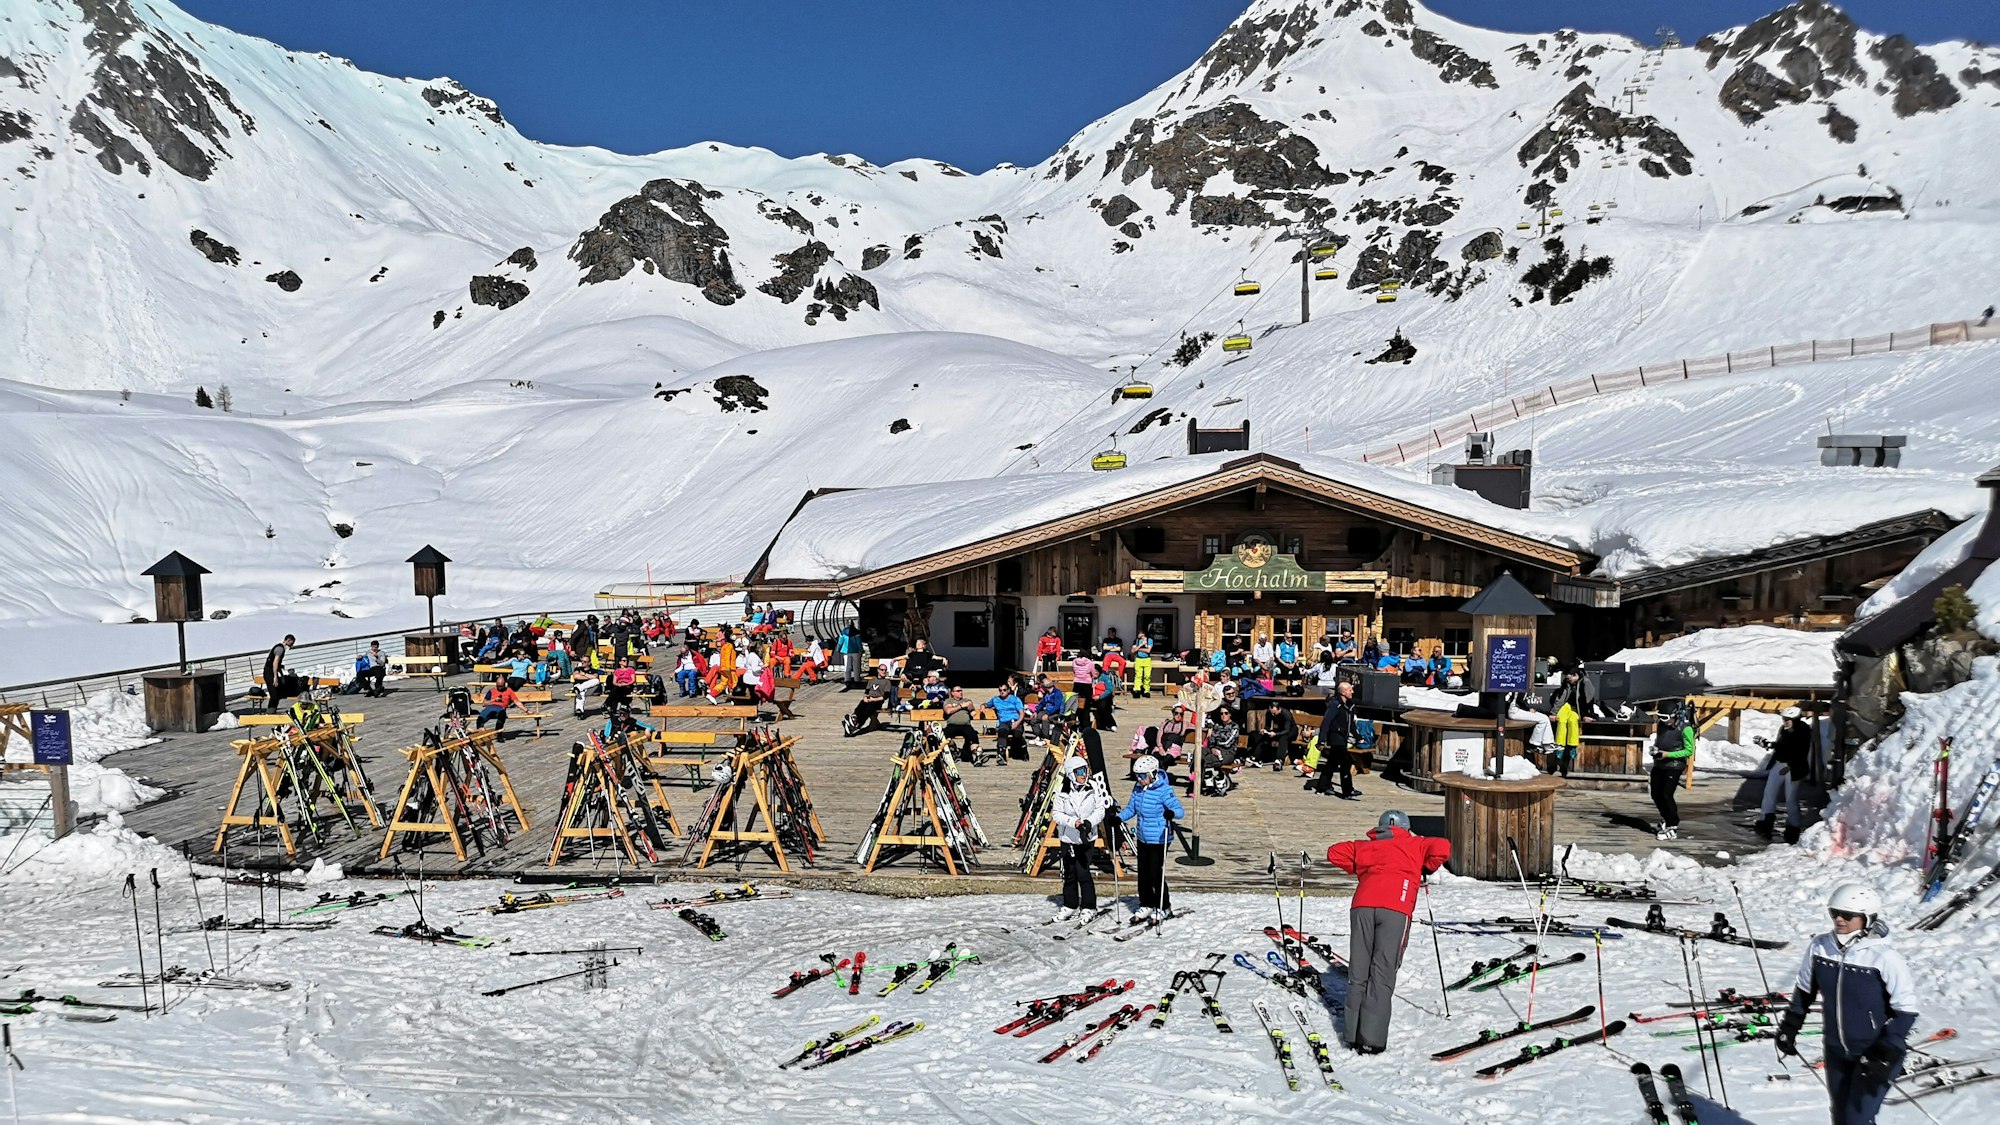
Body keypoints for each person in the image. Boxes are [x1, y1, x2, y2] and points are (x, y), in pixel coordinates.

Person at [1775, 883, 1917, 1125]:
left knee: (1856, 1120)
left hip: (1873, 1053)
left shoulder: (1884, 957)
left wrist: (1885, 1051)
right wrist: (1790, 1026)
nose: (1839, 919)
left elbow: (1906, 1010)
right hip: (1836, 1050)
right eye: (1834, 913)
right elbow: (1804, 991)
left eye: (1847, 915)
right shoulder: (1820, 947)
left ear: (1866, 918)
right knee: (1841, 1117)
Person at [1325, 810, 1451, 1053]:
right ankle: (1371, 1039)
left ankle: (1352, 1034)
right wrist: (1425, 865)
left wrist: (1360, 865)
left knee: (1359, 971)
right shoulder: (1415, 844)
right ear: (1406, 828)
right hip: (1395, 906)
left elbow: (1334, 852)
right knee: (1382, 971)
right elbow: (1443, 847)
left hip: (1362, 906)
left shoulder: (1365, 846)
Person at [1116, 756, 1184, 922]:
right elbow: (1131, 809)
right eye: (1137, 776)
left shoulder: (1164, 790)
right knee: (1143, 873)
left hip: (1159, 838)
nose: (1139, 779)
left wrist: (1171, 813)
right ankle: (1146, 903)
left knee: (1155, 872)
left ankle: (1163, 906)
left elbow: (1179, 810)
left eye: (1142, 776)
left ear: (1152, 774)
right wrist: (1118, 818)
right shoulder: (1138, 788)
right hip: (1143, 836)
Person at [1050, 757, 1112, 922]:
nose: (1084, 774)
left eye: (1085, 770)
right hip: (1068, 837)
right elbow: (1056, 813)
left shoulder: (1093, 787)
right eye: (1079, 772)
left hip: (1086, 836)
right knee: (1069, 872)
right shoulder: (1063, 790)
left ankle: (1089, 906)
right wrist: (1072, 822)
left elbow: (1100, 809)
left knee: (1083, 871)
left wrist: (1089, 822)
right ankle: (1070, 905)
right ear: (1071, 774)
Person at [1758, 706, 1814, 843]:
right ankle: (1765, 822)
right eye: (1784, 719)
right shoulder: (1784, 729)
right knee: (1769, 793)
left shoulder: (1803, 731)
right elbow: (1782, 746)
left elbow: (1801, 752)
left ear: (1796, 720)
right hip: (1779, 763)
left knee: (1791, 799)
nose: (1785, 722)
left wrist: (1789, 767)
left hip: (1794, 768)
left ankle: (1793, 828)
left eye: (1788, 719)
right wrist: (1769, 744)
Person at [1649, 707, 1695, 839]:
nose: (1663, 720)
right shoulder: (1661, 725)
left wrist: (1668, 754)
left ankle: (1672, 825)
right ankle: (1666, 817)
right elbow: (1661, 740)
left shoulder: (1685, 729)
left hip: (1674, 765)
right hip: (1660, 763)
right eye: (1660, 717)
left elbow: (1689, 751)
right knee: (1655, 794)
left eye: (1665, 718)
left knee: (1666, 795)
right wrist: (1655, 750)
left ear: (1674, 715)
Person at [1310, 680, 1359, 798]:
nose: (1352, 692)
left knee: (1331, 763)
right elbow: (1326, 722)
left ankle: (1322, 787)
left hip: (1343, 737)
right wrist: (1321, 740)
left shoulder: (1349, 705)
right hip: (1336, 737)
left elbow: (1351, 723)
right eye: (1350, 690)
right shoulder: (1335, 705)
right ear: (1343, 692)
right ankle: (1348, 791)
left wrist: (1358, 736)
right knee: (1346, 763)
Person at [1549, 664, 1590, 777]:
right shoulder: (1566, 684)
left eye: (1570, 677)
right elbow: (1560, 698)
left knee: (1572, 721)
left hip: (1577, 709)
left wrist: (1586, 715)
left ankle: (1572, 746)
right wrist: (1553, 713)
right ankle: (1560, 746)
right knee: (1561, 720)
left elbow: (1588, 700)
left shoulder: (1585, 683)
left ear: (1575, 675)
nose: (1568, 679)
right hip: (1566, 706)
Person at [986, 681, 1027, 763]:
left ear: (1008, 690)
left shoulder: (1015, 699)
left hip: (1015, 720)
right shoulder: (996, 700)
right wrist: (983, 706)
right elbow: (986, 704)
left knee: (1017, 734)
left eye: (1004, 690)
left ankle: (1023, 748)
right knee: (1002, 732)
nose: (1002, 692)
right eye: (1000, 690)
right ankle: (1001, 754)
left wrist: (1017, 722)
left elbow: (1022, 713)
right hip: (1004, 722)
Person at [1255, 700, 1298, 769]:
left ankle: (1279, 759)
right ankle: (1256, 757)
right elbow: (1268, 726)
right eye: (1272, 713)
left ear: (1279, 709)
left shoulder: (1286, 714)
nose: (1273, 715)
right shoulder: (1269, 712)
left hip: (1291, 731)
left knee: (1283, 738)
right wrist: (1265, 730)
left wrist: (1276, 734)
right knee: (1264, 736)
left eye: (1274, 713)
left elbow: (1287, 730)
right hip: (1280, 730)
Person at [941, 686, 980, 761]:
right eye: (958, 691)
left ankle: (976, 755)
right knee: (944, 737)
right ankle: (954, 749)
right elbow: (948, 711)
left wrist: (970, 707)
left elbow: (971, 708)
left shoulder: (966, 700)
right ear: (952, 693)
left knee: (973, 736)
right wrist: (961, 706)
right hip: (952, 725)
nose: (960, 692)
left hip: (965, 725)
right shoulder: (949, 701)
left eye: (961, 690)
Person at [263, 634, 299, 707]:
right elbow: (275, 663)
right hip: (269, 672)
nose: (291, 646)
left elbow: (277, 664)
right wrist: (275, 677)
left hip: (271, 671)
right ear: (288, 640)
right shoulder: (280, 649)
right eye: (291, 643)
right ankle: (270, 711)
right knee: (274, 695)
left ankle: (272, 710)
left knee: (277, 694)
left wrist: (281, 675)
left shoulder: (280, 648)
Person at [836, 624, 864, 690]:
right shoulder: (856, 632)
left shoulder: (843, 632)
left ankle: (847, 680)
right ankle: (857, 680)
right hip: (856, 651)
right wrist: (861, 649)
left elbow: (840, 642)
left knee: (847, 667)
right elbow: (859, 642)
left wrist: (838, 649)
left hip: (846, 651)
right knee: (856, 667)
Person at [1091, 663, 1118, 730]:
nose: (1095, 673)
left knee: (1103, 706)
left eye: (1096, 671)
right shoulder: (1090, 678)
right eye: (1093, 671)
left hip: (1104, 697)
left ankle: (1111, 724)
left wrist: (1100, 697)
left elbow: (1109, 689)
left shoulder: (1104, 677)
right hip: (1093, 697)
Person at [1129, 633, 1154, 698]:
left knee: (1147, 676)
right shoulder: (1136, 641)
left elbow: (1148, 650)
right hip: (1138, 659)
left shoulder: (1149, 640)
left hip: (1147, 659)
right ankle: (1137, 690)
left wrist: (1138, 649)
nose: (1138, 634)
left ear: (1143, 634)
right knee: (1138, 676)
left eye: (1139, 633)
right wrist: (1141, 645)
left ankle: (1146, 690)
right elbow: (1133, 650)